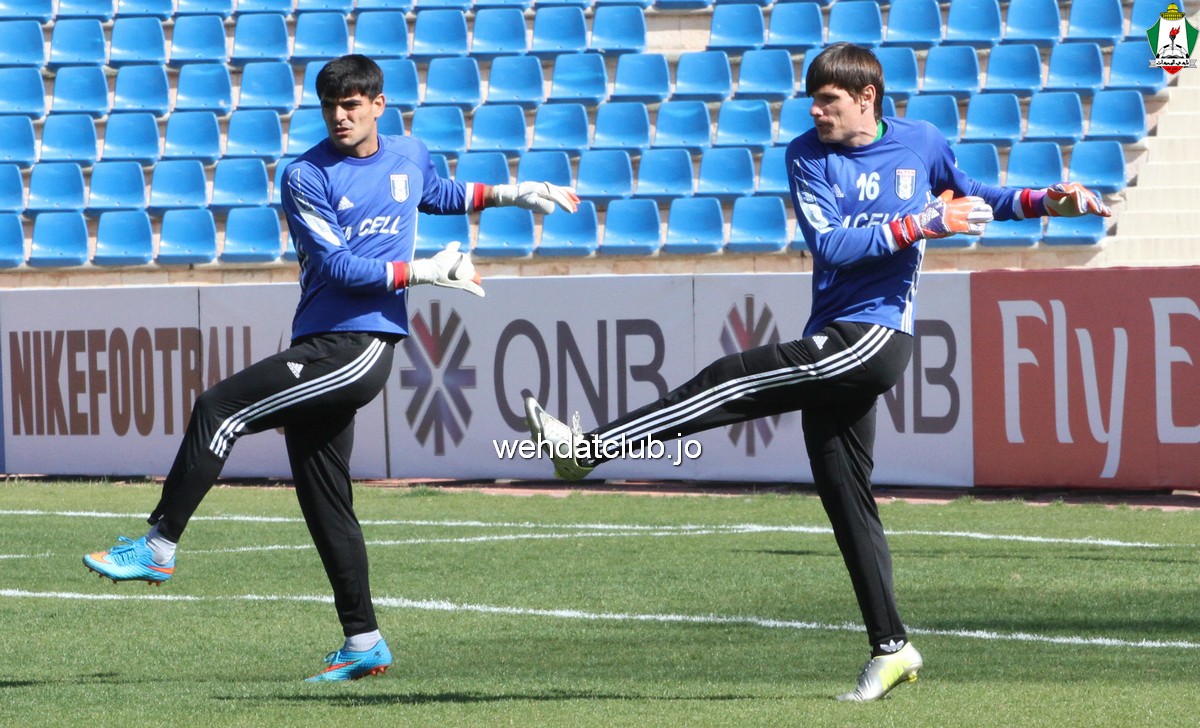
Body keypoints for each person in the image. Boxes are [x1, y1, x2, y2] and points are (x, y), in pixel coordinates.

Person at [522, 42, 1111, 701]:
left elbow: (975, 197)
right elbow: (831, 243)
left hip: (875, 335)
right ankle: (892, 648)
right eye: (813, 100)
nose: (815, 111)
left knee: (730, 378)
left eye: (828, 100)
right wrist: (921, 222)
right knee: (845, 496)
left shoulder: (920, 143)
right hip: (833, 332)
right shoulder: (807, 154)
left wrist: (1047, 201)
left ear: (867, 98)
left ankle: (586, 451)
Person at [83, 54, 579, 682]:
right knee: (325, 502)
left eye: (351, 104)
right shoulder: (305, 175)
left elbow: (439, 194)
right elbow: (338, 266)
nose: (340, 116)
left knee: (219, 408)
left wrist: (513, 192)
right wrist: (423, 271)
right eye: (329, 106)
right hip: (323, 342)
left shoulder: (410, 154)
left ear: (378, 105)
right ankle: (363, 642)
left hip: (358, 347)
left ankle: (158, 547)